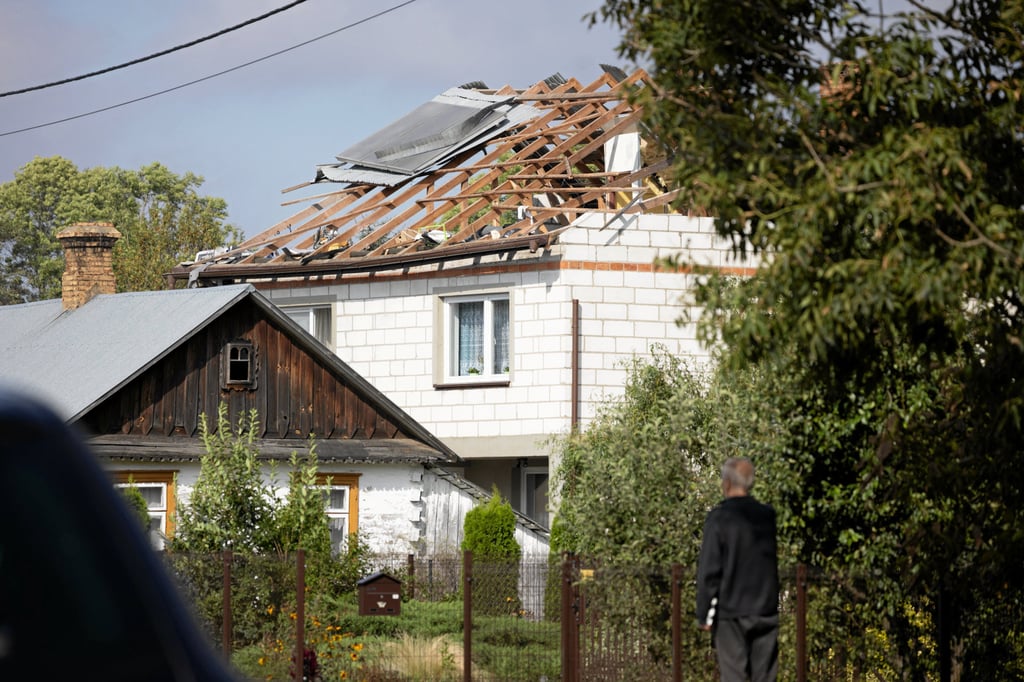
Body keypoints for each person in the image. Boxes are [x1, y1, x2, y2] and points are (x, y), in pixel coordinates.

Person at [696, 456, 779, 682]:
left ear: (727, 483)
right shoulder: (767, 515)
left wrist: (704, 613)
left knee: (734, 677)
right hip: (765, 609)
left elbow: (709, 570)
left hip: (732, 613)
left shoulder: (719, 517)